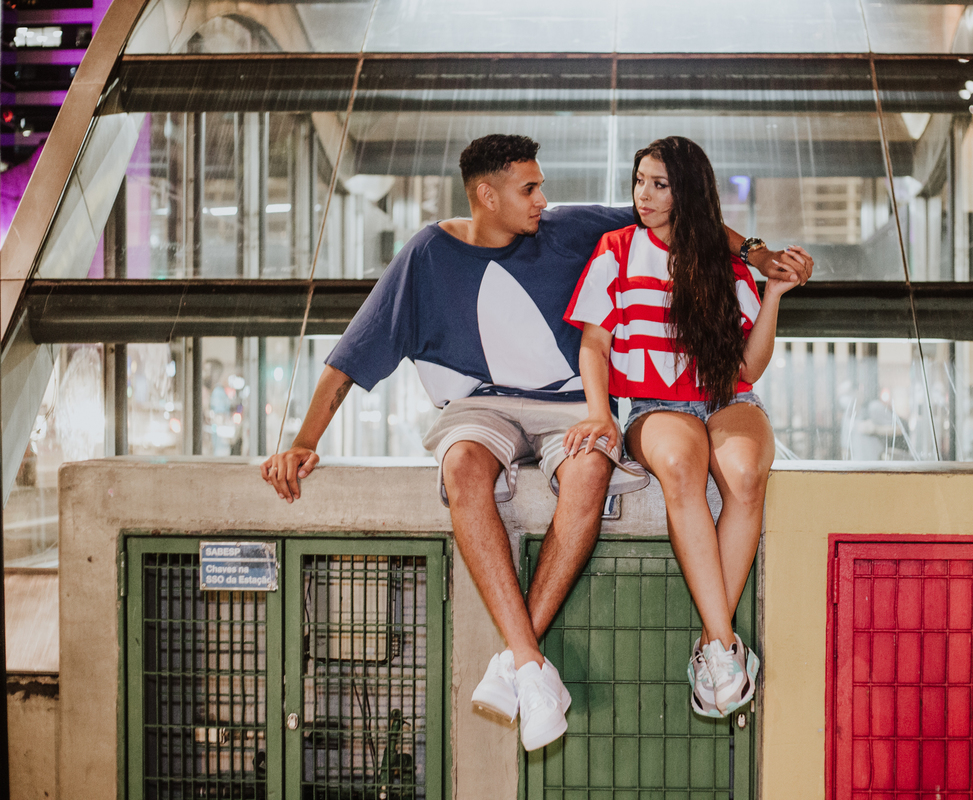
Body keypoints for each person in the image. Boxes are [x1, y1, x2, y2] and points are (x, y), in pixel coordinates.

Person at [261, 134, 810, 749]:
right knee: (463, 468)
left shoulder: (571, 228)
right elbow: (350, 359)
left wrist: (758, 254)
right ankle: (529, 661)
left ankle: (519, 663)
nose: (543, 200)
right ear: (485, 195)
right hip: (480, 406)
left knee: (589, 470)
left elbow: (686, 216)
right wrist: (303, 440)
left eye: (542, 186)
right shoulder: (425, 256)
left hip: (569, 406)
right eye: (529, 189)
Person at [563, 136, 812, 717]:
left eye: (659, 184)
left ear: (687, 192)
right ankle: (726, 649)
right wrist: (600, 412)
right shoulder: (616, 247)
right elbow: (594, 344)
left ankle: (712, 647)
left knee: (747, 475)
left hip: (728, 396)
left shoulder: (726, 262)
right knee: (680, 464)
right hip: (654, 404)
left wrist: (773, 291)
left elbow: (747, 367)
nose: (641, 195)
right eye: (639, 181)